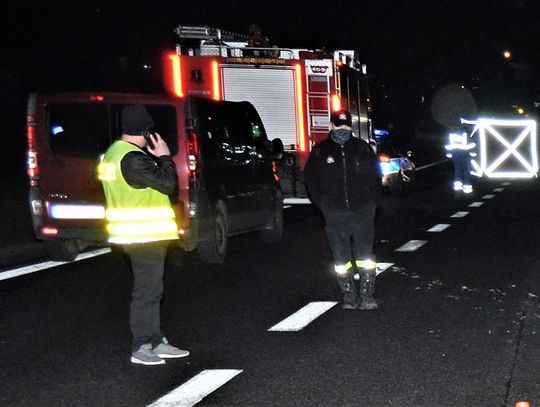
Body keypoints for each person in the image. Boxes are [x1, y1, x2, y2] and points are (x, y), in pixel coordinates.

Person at [98, 104, 189, 365]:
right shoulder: (133, 158)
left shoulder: (113, 154)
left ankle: (156, 340)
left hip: (135, 232)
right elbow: (169, 184)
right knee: (147, 291)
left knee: (152, 290)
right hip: (143, 233)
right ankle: (141, 346)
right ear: (146, 130)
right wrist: (164, 157)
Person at [304, 110, 382, 310]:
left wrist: (372, 203)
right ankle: (349, 295)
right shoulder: (321, 152)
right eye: (338, 127)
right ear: (331, 127)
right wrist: (323, 205)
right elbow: (311, 180)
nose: (343, 130)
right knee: (341, 258)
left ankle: (367, 296)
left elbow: (375, 177)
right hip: (335, 213)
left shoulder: (362, 149)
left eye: (346, 127)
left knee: (365, 256)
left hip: (362, 211)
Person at [444, 127, 476, 193]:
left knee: (458, 170)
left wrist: (449, 154)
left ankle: (458, 188)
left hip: (456, 155)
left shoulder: (451, 135)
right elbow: (472, 144)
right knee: (466, 171)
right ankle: (467, 188)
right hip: (465, 155)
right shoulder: (466, 134)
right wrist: (473, 153)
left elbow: (448, 145)